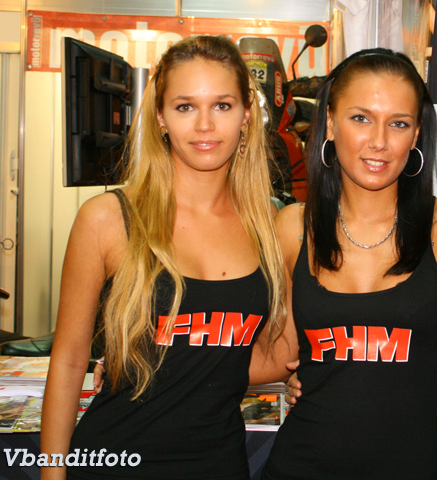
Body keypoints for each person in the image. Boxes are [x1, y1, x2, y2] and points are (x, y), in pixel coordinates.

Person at [40, 35, 285, 480]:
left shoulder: (270, 226)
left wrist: (313, 372)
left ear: (247, 115)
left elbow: (250, 356)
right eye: (185, 106)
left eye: (223, 105)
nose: (205, 125)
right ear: (160, 117)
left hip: (218, 464)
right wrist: (51, 475)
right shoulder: (107, 219)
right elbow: (70, 361)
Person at [261, 48, 437, 480]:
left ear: (416, 133)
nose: (379, 142)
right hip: (300, 465)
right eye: (361, 118)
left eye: (399, 123)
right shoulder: (293, 226)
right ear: (331, 123)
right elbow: (278, 353)